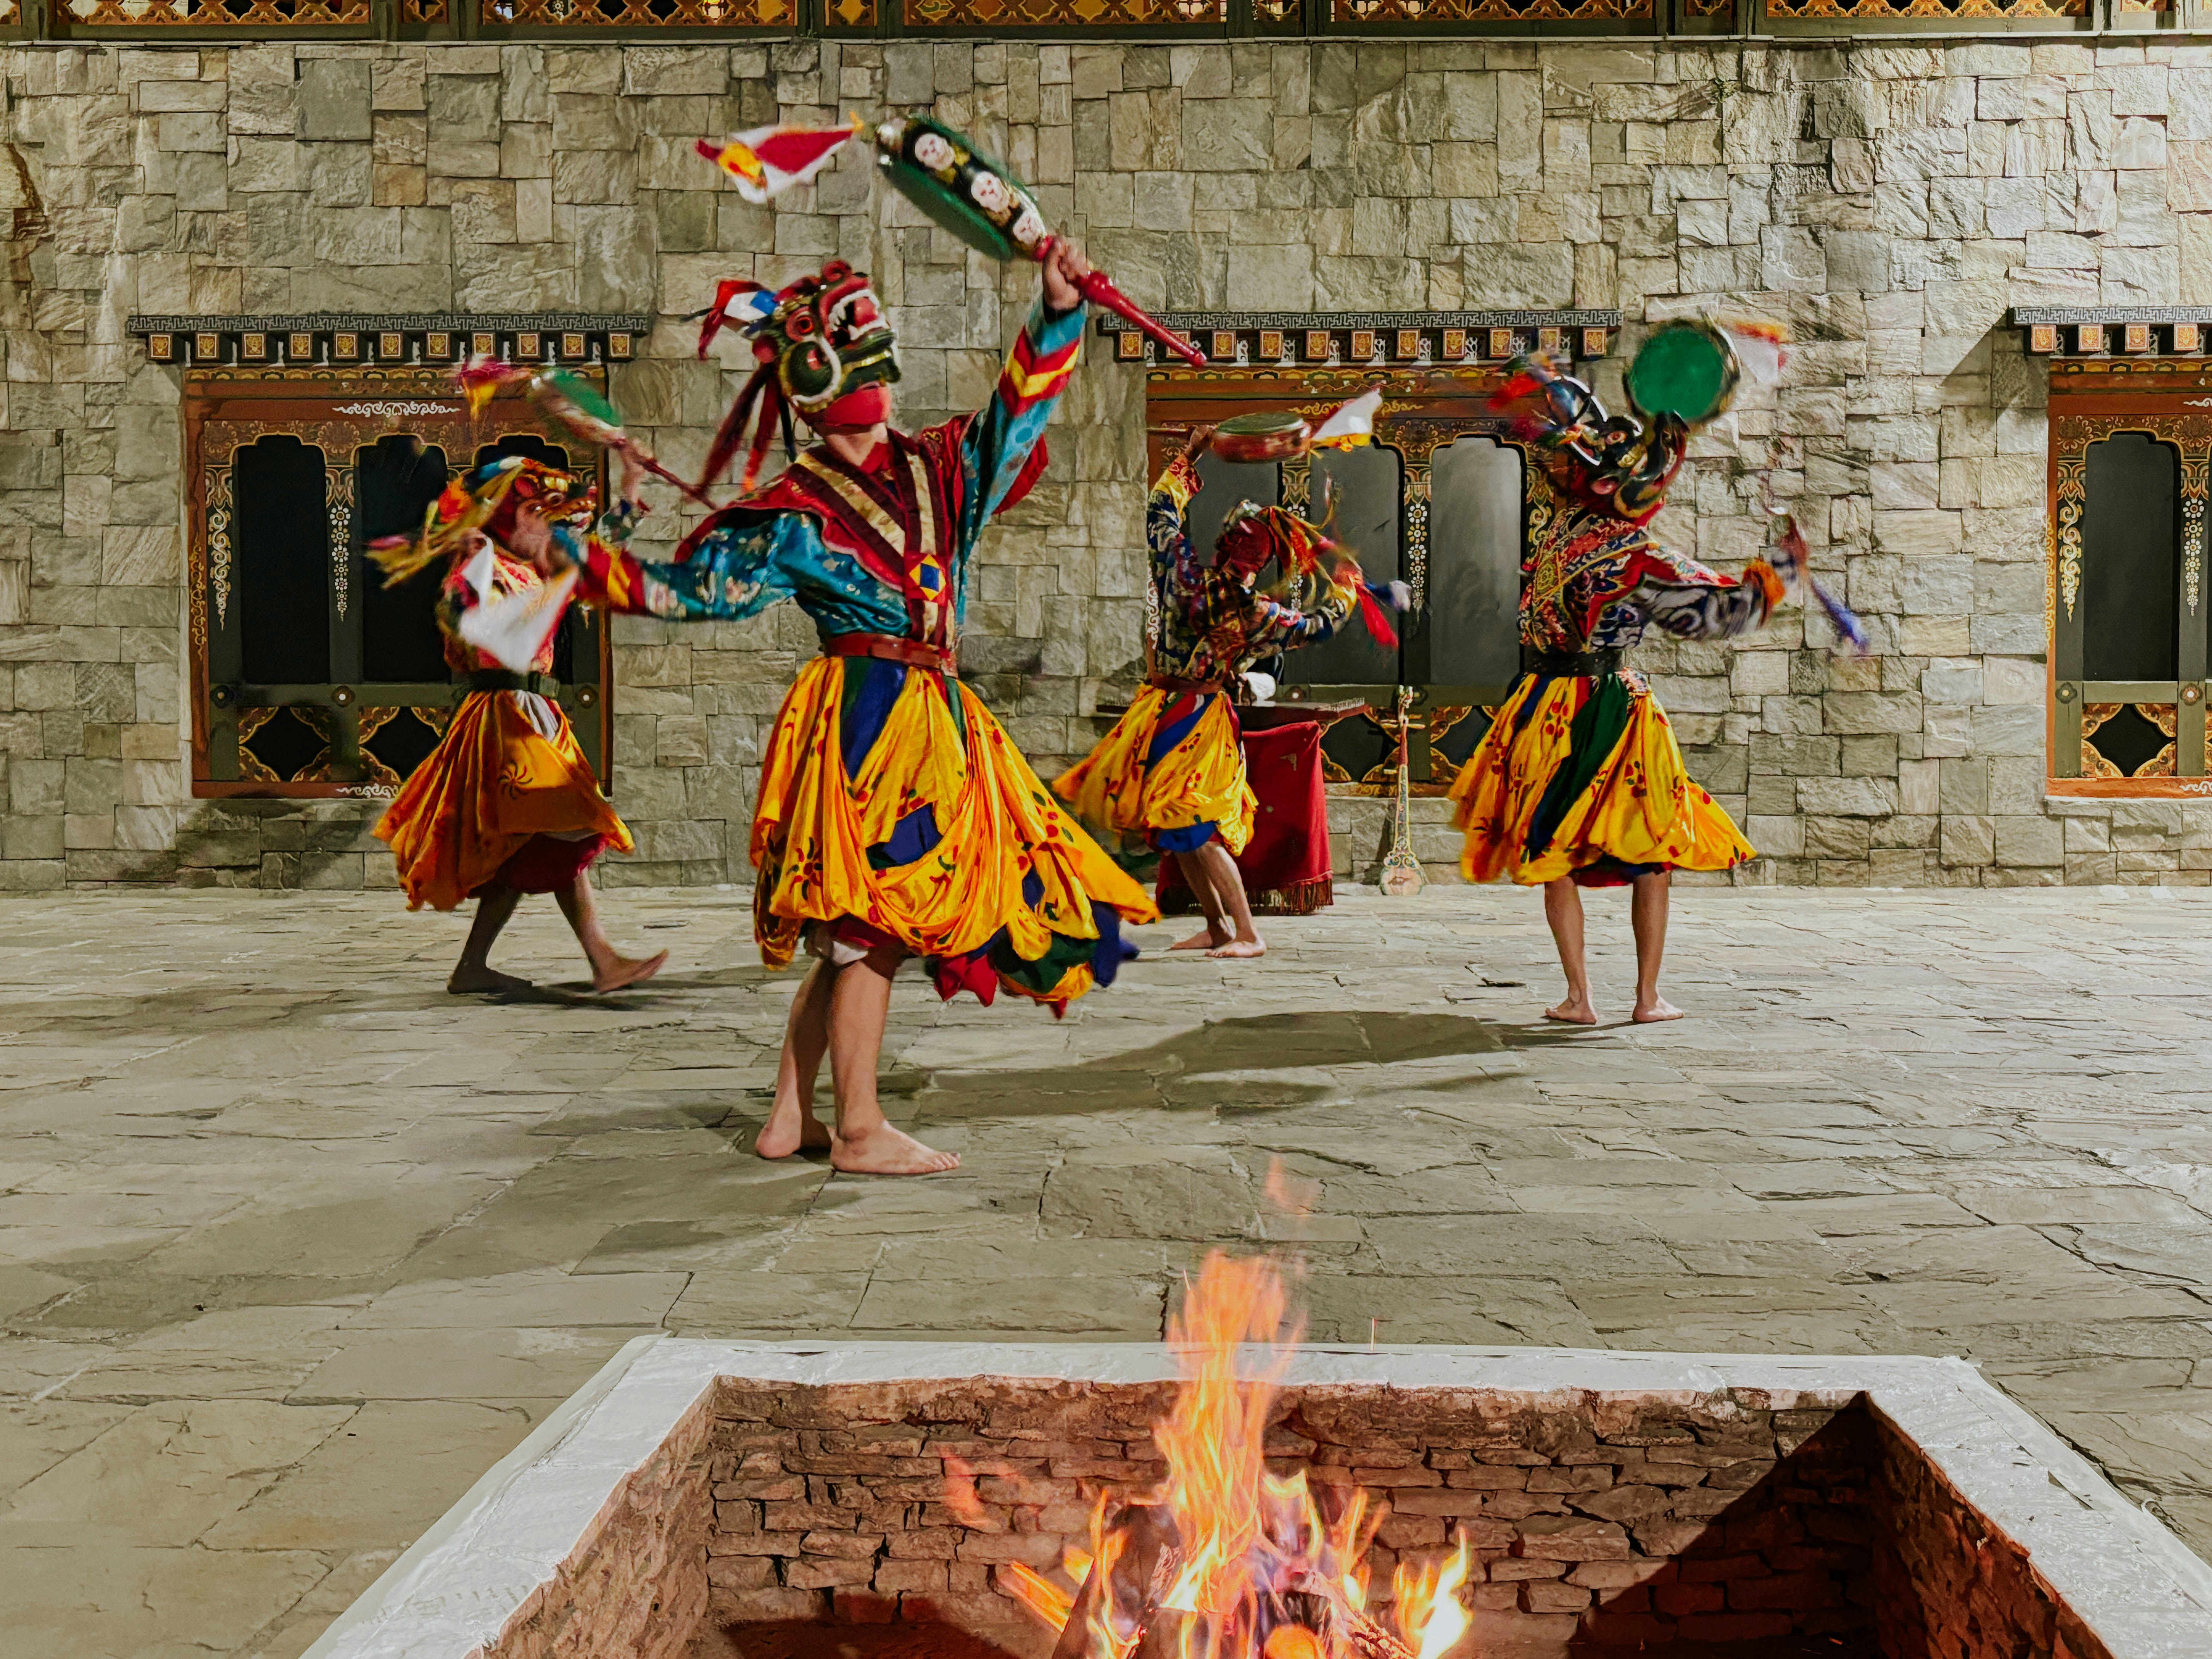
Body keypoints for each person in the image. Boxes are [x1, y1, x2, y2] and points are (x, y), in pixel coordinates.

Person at [556, 246, 1156, 1176]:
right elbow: (689, 591)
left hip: (933, 710)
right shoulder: (792, 510)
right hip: (870, 718)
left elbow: (1019, 412)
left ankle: (790, 1118)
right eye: (848, 338)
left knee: (853, 925)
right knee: (872, 924)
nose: (869, 359)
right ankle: (863, 1129)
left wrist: (1058, 312)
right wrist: (581, 557)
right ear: (809, 374)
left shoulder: (942, 467)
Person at [1449, 354, 1807, 1026]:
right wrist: (1780, 570)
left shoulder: (1556, 535)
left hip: (1541, 705)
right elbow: (1722, 612)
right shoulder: (1636, 555)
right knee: (1652, 848)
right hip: (1611, 705)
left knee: (1551, 844)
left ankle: (1579, 997)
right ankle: (1646, 998)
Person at [1053, 425, 1402, 959]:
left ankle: (1248, 933)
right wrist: (1348, 593)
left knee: (1195, 825)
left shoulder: (1189, 574)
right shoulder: (1240, 603)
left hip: (1191, 716)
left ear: (1230, 546)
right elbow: (1316, 625)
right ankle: (1218, 927)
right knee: (1177, 827)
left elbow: (1159, 508)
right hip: (1175, 709)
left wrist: (1190, 457)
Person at [371, 455, 666, 997]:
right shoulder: (477, 569)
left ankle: (482, 967)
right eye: (540, 516)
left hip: (533, 715)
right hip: (504, 716)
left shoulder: (531, 569)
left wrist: (629, 489)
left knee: (527, 842)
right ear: (513, 519)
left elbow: (593, 553)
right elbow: (482, 640)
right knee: (561, 818)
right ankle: (598, 958)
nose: (554, 528)